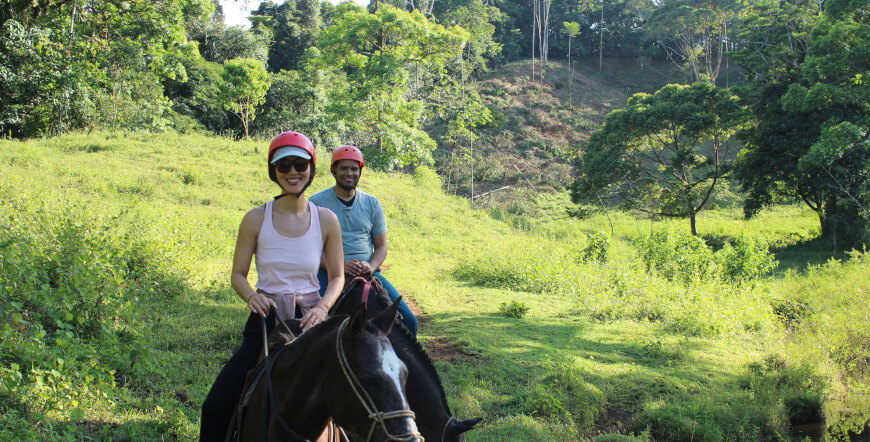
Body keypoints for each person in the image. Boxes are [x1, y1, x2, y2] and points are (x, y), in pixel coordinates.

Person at [200, 131, 345, 441]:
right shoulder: (255, 219)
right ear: (273, 171)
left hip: (311, 322)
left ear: (311, 168)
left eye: (300, 164)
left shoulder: (327, 220)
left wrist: (322, 308)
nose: (293, 172)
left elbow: (337, 277)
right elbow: (238, 274)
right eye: (284, 166)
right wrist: (251, 296)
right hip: (267, 322)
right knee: (215, 405)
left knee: (357, 398)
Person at [309, 145, 418, 337]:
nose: (349, 173)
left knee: (409, 321)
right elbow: (309, 250)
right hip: (328, 274)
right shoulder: (316, 203)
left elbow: (382, 246)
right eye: (344, 168)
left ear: (360, 171)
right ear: (333, 170)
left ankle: (406, 363)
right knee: (309, 319)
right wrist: (339, 266)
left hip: (367, 273)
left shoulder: (372, 203)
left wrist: (371, 265)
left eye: (354, 169)